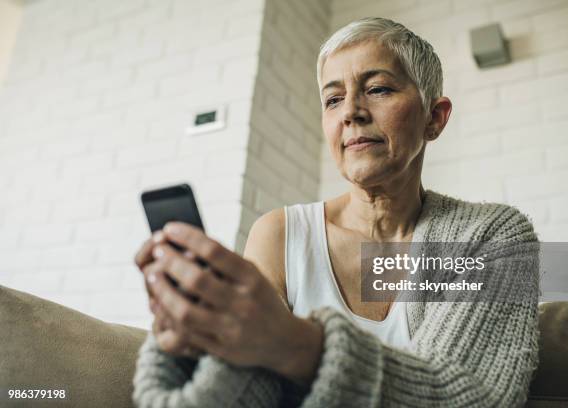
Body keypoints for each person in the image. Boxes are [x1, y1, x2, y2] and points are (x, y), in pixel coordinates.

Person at [132, 17, 540, 407]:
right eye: (333, 98)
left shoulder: (495, 237)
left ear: (435, 117)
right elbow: (250, 389)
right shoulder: (280, 233)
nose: (351, 112)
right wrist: (197, 347)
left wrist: (296, 345)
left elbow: (473, 395)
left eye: (378, 89)